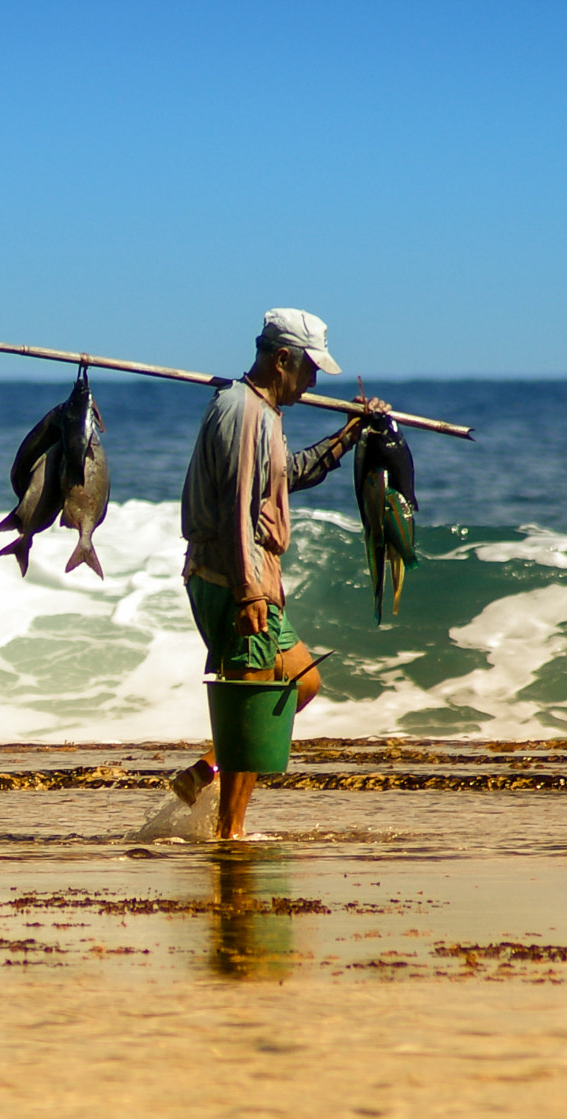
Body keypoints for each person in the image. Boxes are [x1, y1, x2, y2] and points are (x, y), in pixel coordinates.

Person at [170, 308, 389, 838]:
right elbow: (237, 510)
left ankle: (205, 770)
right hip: (236, 578)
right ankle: (230, 834)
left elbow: (281, 480)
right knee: (255, 702)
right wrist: (250, 594)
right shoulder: (246, 414)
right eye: (310, 369)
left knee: (301, 681)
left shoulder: (259, 411)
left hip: (244, 574)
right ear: (282, 358)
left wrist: (348, 436)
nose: (314, 381)